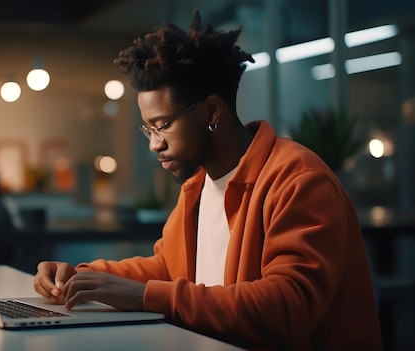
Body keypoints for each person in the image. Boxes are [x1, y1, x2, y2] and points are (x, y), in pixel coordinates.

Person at [34, 10, 382, 350]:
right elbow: (169, 269)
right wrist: (82, 276)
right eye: (148, 128)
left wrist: (145, 296)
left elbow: (286, 307)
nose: (155, 144)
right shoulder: (198, 186)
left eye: (164, 125)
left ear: (212, 111)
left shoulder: (298, 180)